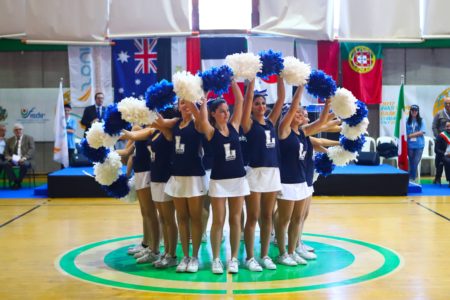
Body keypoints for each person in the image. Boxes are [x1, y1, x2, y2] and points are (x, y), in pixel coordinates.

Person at [187, 80, 249, 274]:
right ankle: (216, 259)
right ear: (214, 113)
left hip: (238, 179)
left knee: (236, 220)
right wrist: (204, 100)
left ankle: (233, 259)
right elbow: (203, 119)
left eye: (226, 110)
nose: (226, 113)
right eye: (221, 111)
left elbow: (239, 101)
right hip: (219, 181)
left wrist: (231, 80)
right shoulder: (210, 131)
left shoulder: (235, 126)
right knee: (218, 221)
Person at [275, 86, 332, 266]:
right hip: (287, 181)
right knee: (284, 219)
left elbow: (322, 121)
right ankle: (282, 253)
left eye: (302, 112)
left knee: (297, 219)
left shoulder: (303, 131)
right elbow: (292, 108)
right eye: (297, 112)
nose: (300, 114)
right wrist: (300, 85)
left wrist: (328, 102)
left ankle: (292, 251)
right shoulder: (284, 130)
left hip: (301, 181)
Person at [241, 76, 285, 272]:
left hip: (273, 173)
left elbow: (282, 99)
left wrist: (282, 78)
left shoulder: (271, 122)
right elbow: (247, 98)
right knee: (253, 217)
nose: (260, 106)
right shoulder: (248, 124)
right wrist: (251, 82)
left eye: (263, 103)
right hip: (255, 174)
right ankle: (250, 257)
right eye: (257, 104)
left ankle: (265, 255)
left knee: (267, 217)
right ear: (251, 107)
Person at [3, 123, 35, 189]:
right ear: (13, 131)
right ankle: (15, 181)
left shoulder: (29, 138)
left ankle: (18, 182)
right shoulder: (9, 140)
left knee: (24, 164)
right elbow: (6, 152)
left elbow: (31, 150)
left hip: (25, 159)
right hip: (14, 159)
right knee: (5, 164)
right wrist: (10, 158)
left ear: (22, 130)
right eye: (16, 130)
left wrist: (24, 158)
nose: (18, 131)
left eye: (20, 129)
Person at [432, 97, 450, 183]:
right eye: (446, 103)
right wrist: (438, 137)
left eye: (449, 103)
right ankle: (437, 177)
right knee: (439, 159)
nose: (448, 105)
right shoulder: (439, 114)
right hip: (442, 141)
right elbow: (434, 126)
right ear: (444, 104)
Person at [406, 105, 426, 183]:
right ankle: (413, 177)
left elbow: (422, 132)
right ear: (410, 111)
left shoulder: (421, 120)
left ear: (418, 112)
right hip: (410, 145)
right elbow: (404, 132)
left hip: (419, 145)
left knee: (415, 161)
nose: (414, 112)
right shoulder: (407, 120)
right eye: (412, 110)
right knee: (411, 161)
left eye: (415, 111)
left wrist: (410, 135)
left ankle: (412, 177)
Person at [434, 121, 450, 187]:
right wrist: (446, 153)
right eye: (447, 126)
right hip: (443, 155)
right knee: (448, 161)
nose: (449, 128)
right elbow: (436, 149)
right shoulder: (441, 136)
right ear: (444, 127)